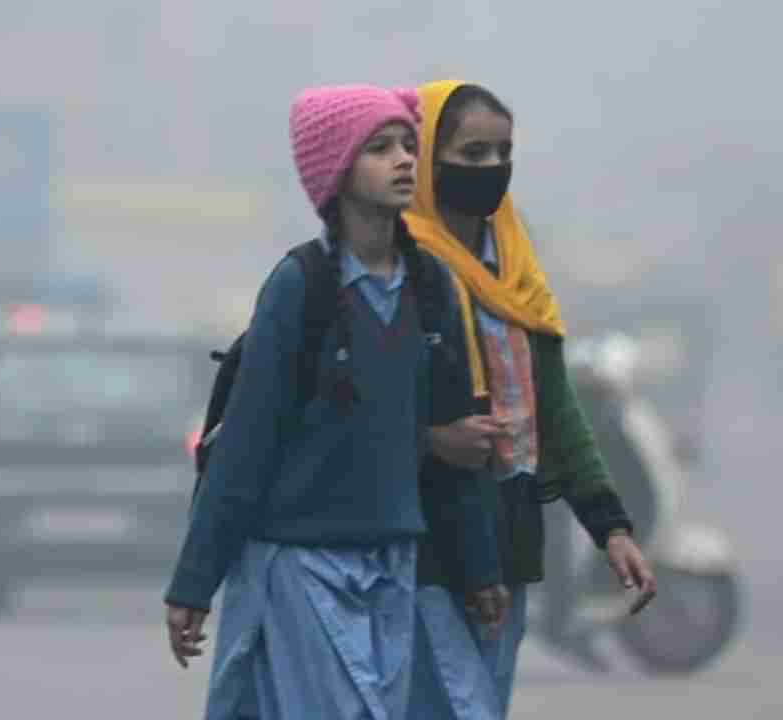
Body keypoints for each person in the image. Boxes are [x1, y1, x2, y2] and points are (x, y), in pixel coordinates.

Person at [163, 85, 507, 719]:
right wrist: (193, 585)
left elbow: (457, 444)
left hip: (393, 561)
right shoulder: (300, 288)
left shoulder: (431, 288)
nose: (405, 159)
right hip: (300, 561)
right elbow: (244, 444)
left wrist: (480, 569)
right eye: (380, 148)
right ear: (336, 172)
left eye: (409, 144)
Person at [402, 80, 659, 718]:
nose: (491, 168)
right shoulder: (395, 264)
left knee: (482, 702)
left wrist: (611, 527)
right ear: (429, 158)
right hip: (421, 538)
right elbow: (353, 406)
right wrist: (430, 439)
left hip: (512, 530)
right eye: (472, 152)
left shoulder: (516, 266)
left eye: (502, 152)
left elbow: (555, 409)